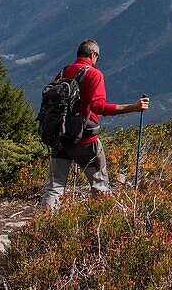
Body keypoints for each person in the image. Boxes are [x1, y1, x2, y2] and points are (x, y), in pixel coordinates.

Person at [41, 39, 149, 209]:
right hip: (85, 141)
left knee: (54, 187)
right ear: (93, 55)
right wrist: (133, 107)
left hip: (60, 138)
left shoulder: (62, 73)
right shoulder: (94, 74)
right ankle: (100, 221)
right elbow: (99, 107)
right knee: (99, 184)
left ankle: (44, 226)